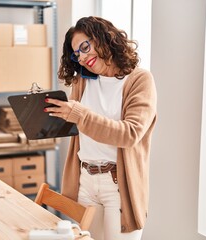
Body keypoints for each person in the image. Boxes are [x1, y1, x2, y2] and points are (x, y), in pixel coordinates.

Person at [44, 16, 157, 240]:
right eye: (77, 54)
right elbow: (77, 127)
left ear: (105, 37)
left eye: (85, 46)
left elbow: (130, 134)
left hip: (117, 184)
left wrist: (78, 114)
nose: (83, 57)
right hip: (85, 179)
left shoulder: (139, 80)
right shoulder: (82, 82)